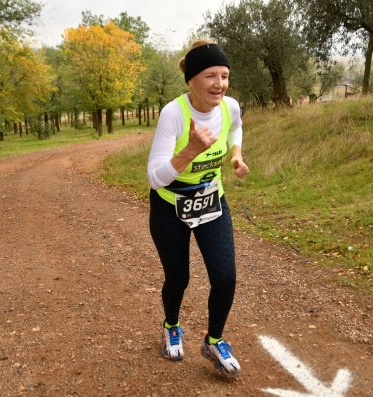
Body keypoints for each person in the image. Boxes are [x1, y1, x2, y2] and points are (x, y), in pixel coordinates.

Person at [146, 39, 249, 378]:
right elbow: (155, 177)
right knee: (179, 278)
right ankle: (171, 325)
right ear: (191, 79)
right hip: (169, 207)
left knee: (225, 277)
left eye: (224, 75)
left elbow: (236, 127)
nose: (219, 84)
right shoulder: (174, 114)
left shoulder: (230, 106)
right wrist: (189, 150)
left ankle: (214, 340)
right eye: (209, 76)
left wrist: (235, 155)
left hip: (211, 199)